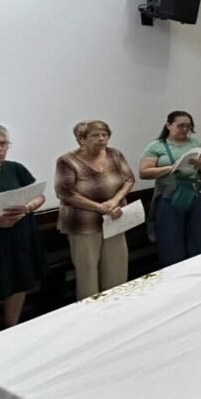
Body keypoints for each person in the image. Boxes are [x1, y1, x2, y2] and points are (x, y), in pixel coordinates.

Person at [55, 120, 135, 300]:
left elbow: (129, 179)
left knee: (117, 267)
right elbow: (65, 192)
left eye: (104, 135)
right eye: (95, 135)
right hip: (83, 222)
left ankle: (117, 306)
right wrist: (100, 208)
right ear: (81, 139)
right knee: (88, 272)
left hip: (114, 217)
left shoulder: (115, 154)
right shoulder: (66, 161)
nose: (101, 139)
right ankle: (90, 316)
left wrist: (114, 201)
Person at [0, 124, 46, 337]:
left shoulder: (15, 168)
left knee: (19, 280)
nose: (0, 149)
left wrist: (27, 207)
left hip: (17, 236)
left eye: (4, 144)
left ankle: (13, 330)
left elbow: (38, 195)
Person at [139, 111, 201, 266]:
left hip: (195, 193)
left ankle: (198, 271)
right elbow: (144, 172)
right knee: (171, 241)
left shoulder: (195, 143)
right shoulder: (156, 146)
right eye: (180, 126)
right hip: (169, 197)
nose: (185, 129)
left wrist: (198, 163)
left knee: (198, 238)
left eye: (188, 126)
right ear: (168, 125)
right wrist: (171, 168)